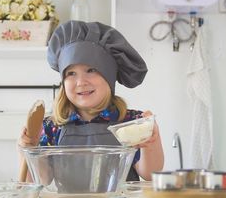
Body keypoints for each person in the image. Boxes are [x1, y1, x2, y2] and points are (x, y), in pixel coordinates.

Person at [18, 20, 164, 181]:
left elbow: (150, 173)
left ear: (109, 77)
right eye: (71, 73)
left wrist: (151, 144)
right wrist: (27, 150)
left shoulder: (130, 123)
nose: (81, 82)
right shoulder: (51, 127)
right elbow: (41, 180)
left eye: (91, 70)